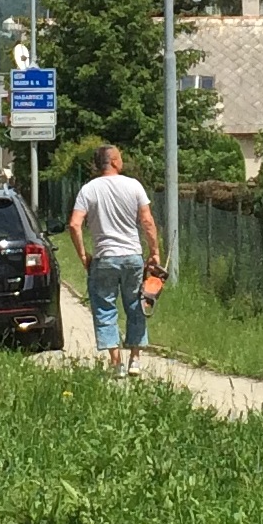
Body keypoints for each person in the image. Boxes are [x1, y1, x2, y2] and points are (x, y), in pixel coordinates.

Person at [68, 144, 161, 375]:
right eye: (121, 157)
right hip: (132, 257)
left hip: (104, 258)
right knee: (135, 305)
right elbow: (147, 222)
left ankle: (116, 362)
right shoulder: (134, 186)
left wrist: (83, 255)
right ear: (115, 162)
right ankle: (135, 361)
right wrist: (154, 251)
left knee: (105, 308)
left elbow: (74, 224)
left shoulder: (88, 190)